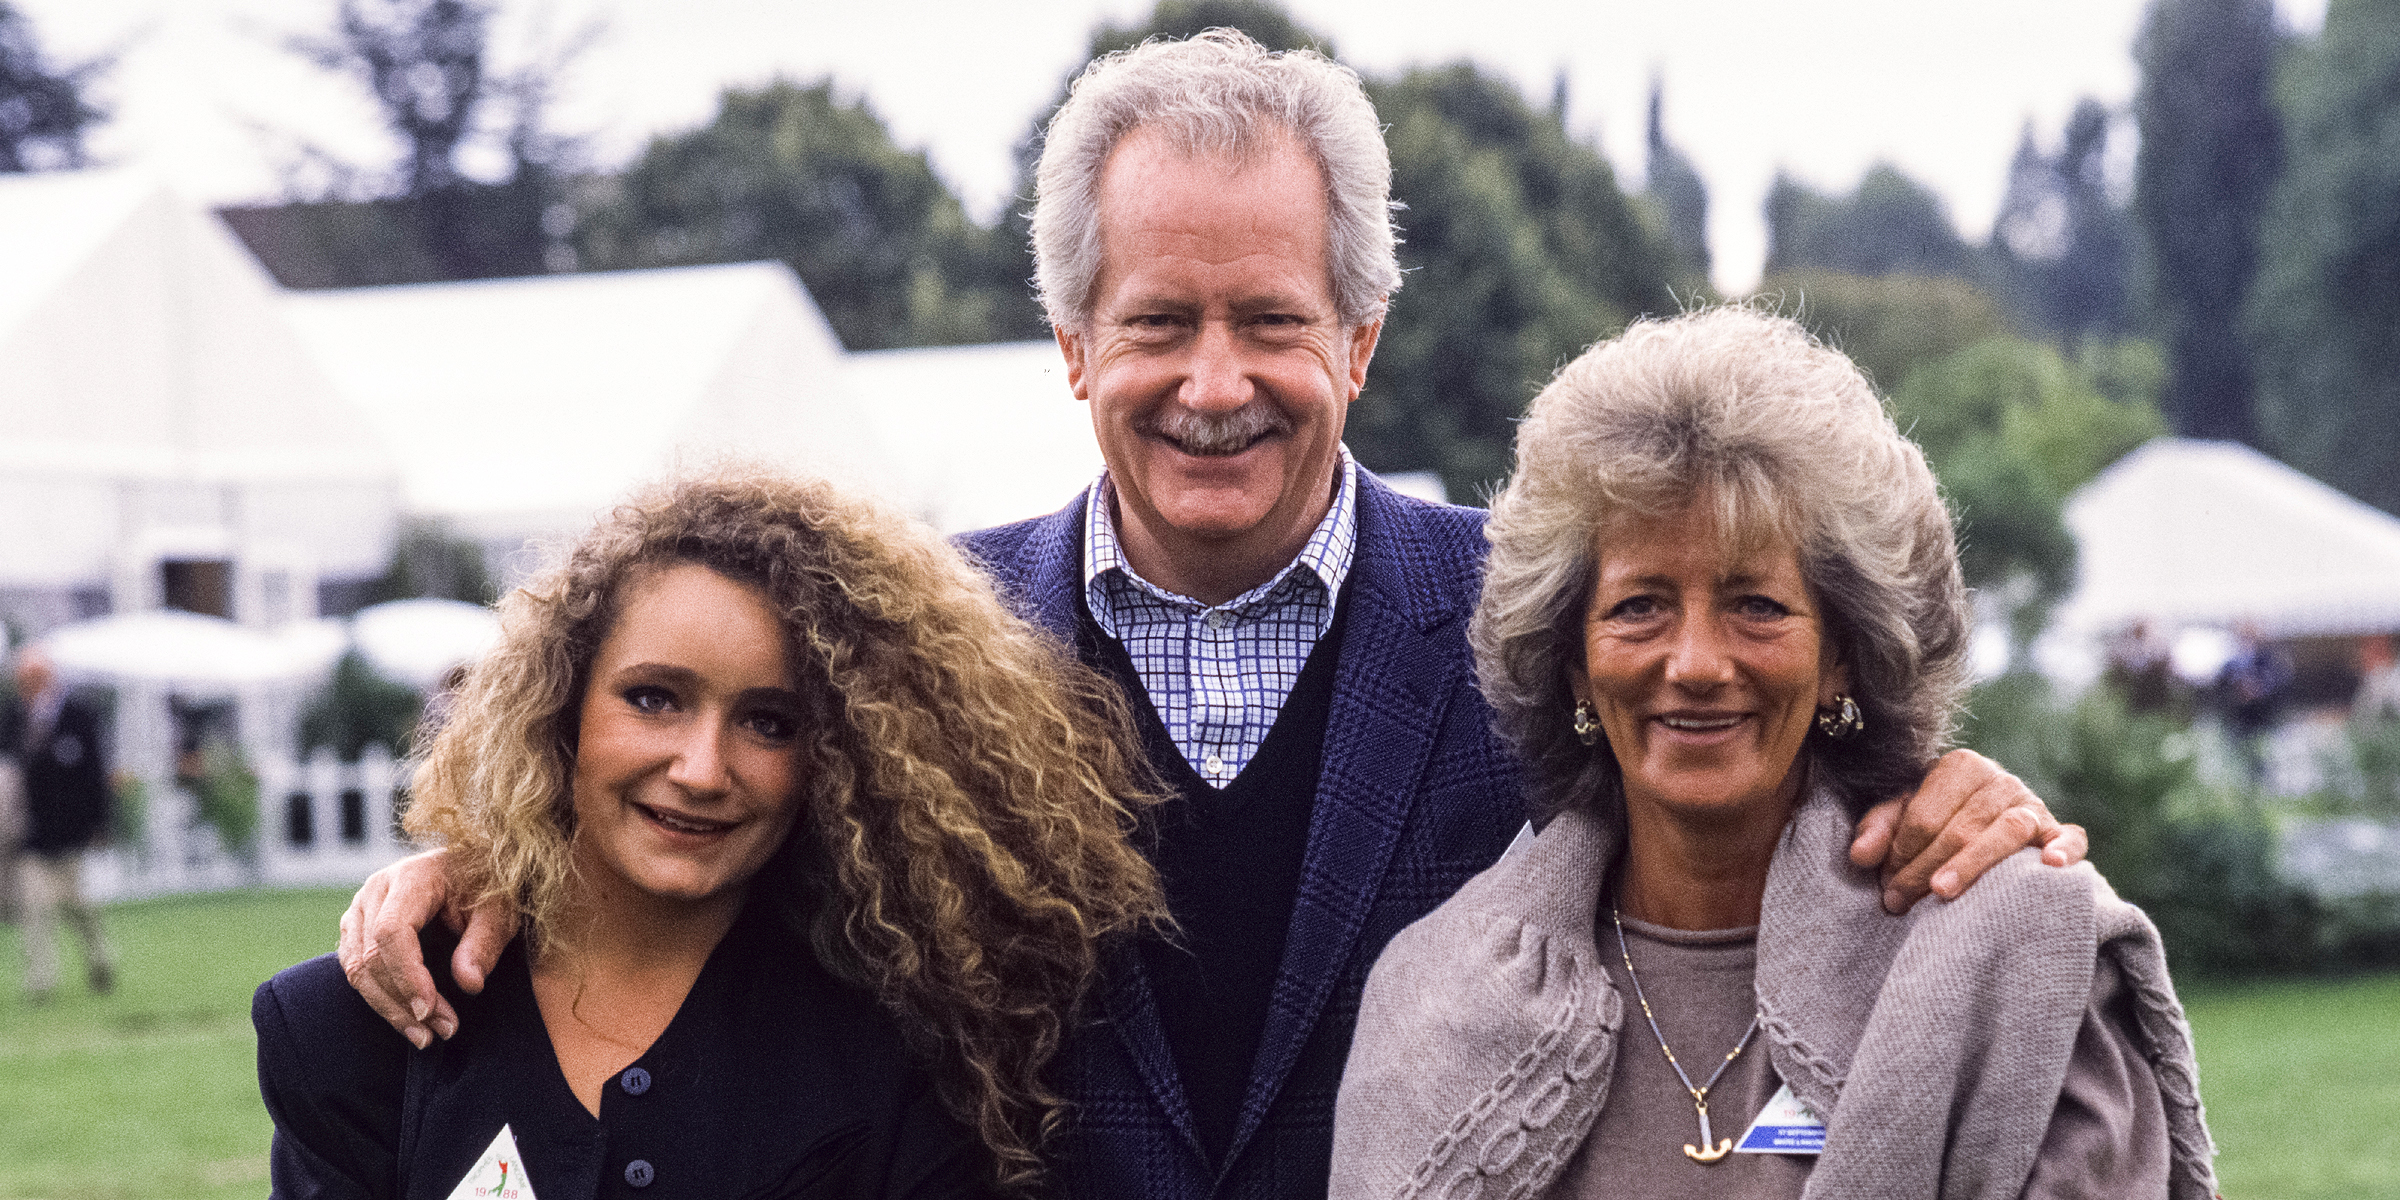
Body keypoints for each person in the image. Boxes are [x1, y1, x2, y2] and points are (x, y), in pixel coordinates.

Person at [336, 32, 2087, 1199]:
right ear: (1074, 344)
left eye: (1270, 319)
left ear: (1361, 343)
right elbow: (706, 808)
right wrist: (483, 859)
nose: (1216, 384)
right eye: (1162, 322)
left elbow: (1751, 738)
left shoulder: (1548, 625)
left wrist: (1936, 792)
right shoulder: (911, 652)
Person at [1331, 308, 2214, 1199]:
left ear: (1842, 655)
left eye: (1756, 603)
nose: (1698, 664)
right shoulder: (1427, 997)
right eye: (1640, 605)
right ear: (1573, 665)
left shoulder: (2013, 956)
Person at [254, 472, 1165, 1198]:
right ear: (562, 709)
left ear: (841, 758)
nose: (701, 767)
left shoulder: (904, 1052)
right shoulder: (353, 1030)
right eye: (654, 698)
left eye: (770, 721)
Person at [8, 645, 118, 1003]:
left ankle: (100, 959)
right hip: (31, 833)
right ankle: (41, 981)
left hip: (70, 833)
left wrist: (99, 823)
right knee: (35, 908)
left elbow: (95, 775)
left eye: (34, 679)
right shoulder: (13, 720)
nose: (29, 687)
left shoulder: (78, 716)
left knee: (77, 906)